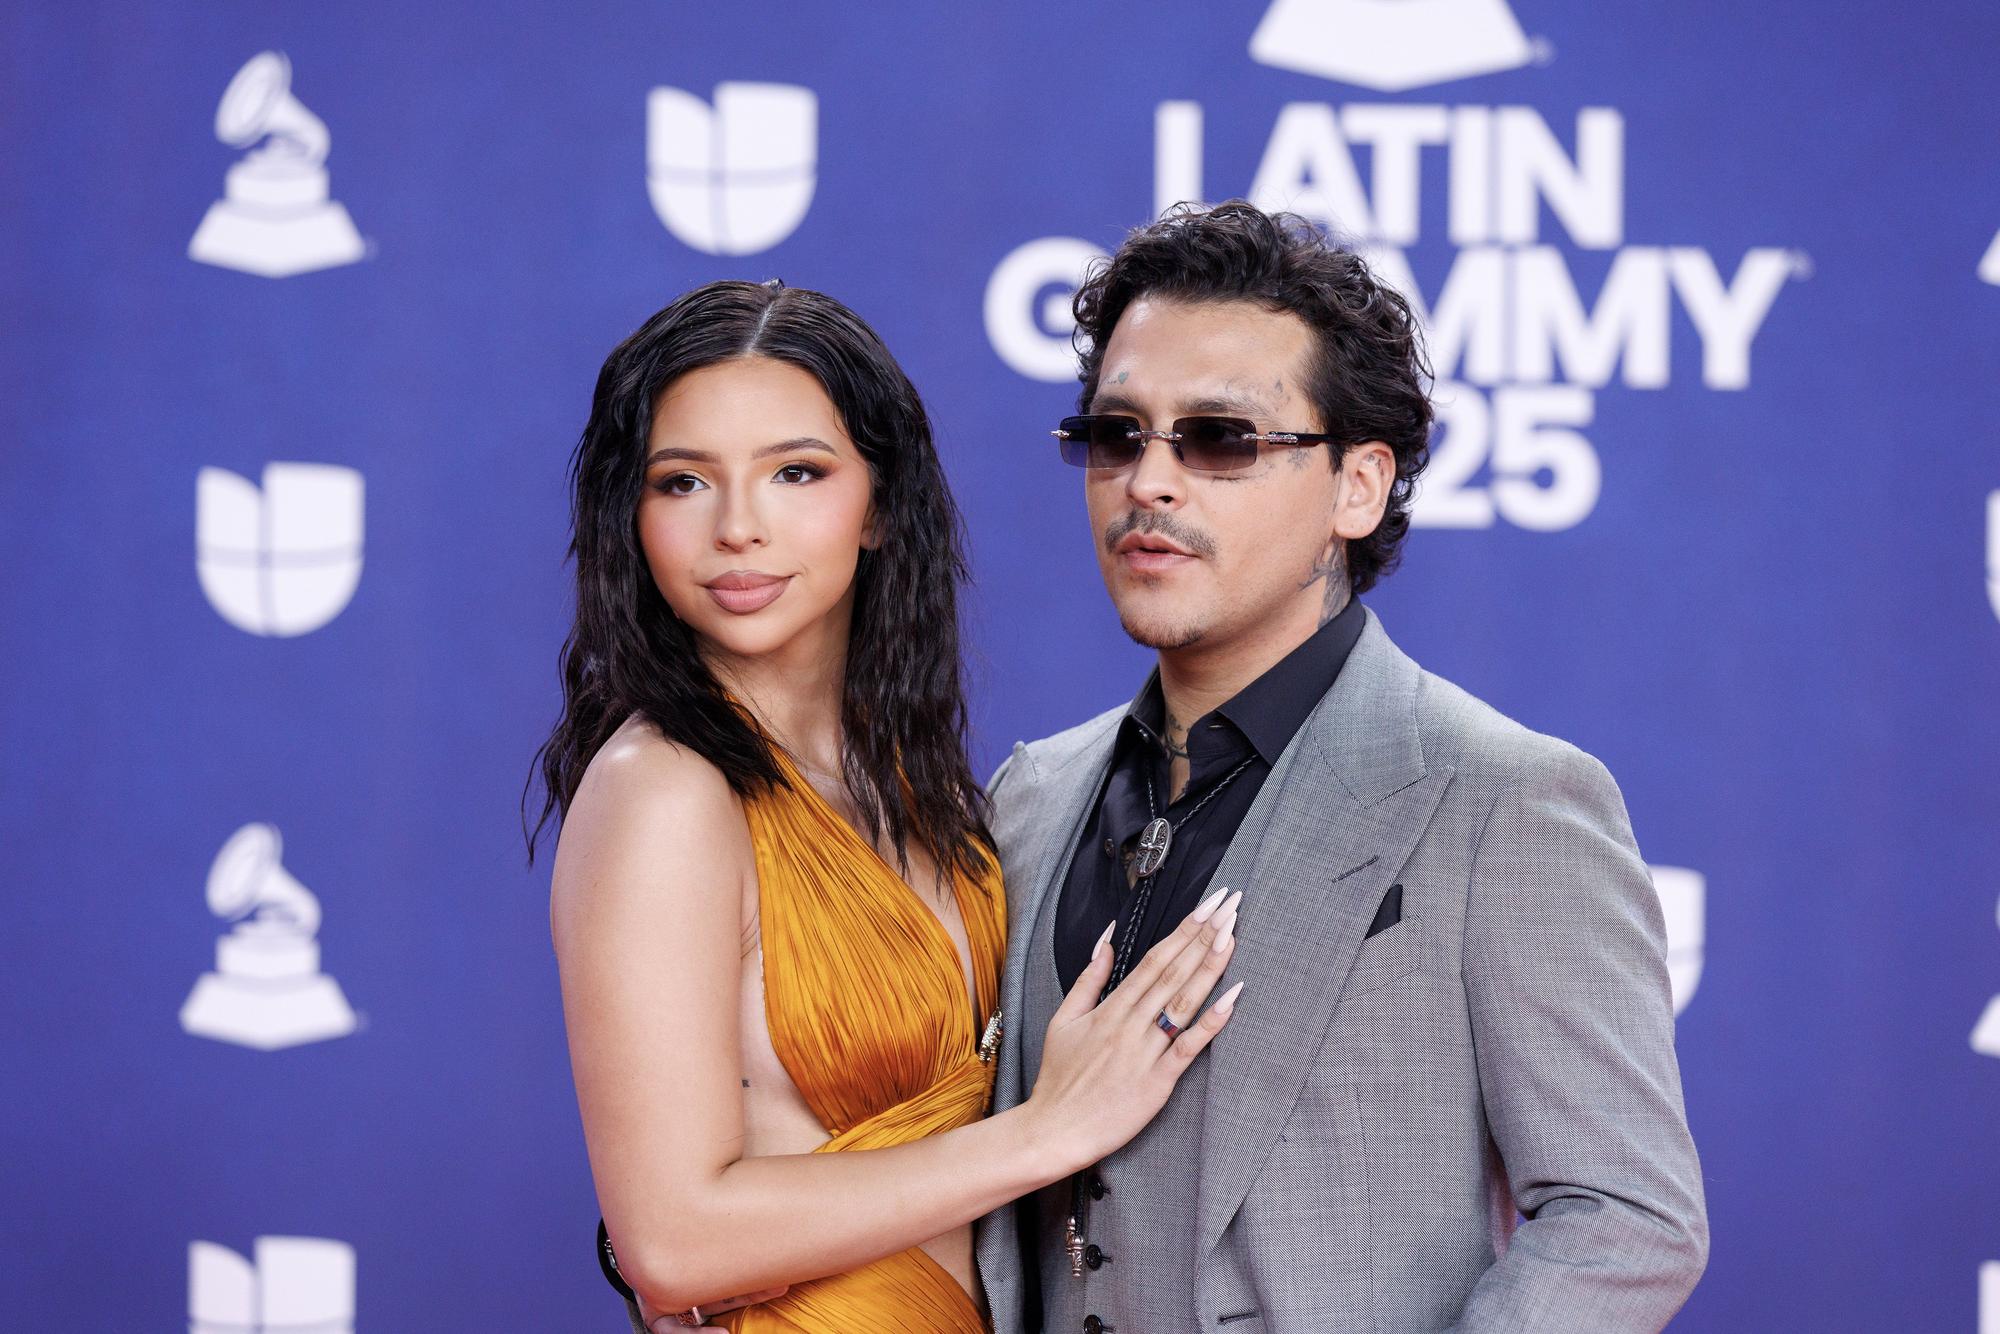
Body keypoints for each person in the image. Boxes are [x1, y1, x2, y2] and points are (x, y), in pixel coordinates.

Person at [972, 202, 1710, 1332]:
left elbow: (1623, 1215)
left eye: (1218, 437)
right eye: (1117, 435)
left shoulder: (1505, 800)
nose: (1148, 482)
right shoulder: (1027, 796)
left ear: (1356, 487)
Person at [528, 279, 1245, 1333]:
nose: (737, 527)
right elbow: (671, 1240)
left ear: (876, 505)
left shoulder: (920, 786)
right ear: (630, 517)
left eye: (796, 472)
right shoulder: (662, 790)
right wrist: (1051, 1127)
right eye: (681, 482)